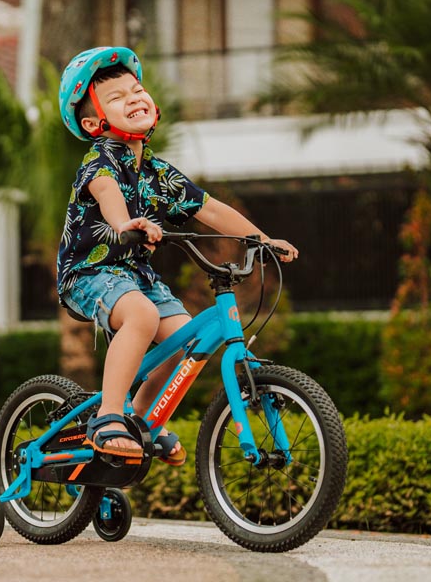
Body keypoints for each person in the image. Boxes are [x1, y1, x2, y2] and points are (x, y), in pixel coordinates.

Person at [57, 46, 298, 465]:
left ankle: (142, 418)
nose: (133, 98)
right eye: (116, 97)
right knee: (143, 317)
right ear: (94, 122)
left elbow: (210, 209)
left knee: (185, 339)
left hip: (135, 276)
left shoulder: (158, 173)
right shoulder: (99, 160)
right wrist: (125, 224)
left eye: (136, 89)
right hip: (90, 271)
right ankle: (109, 415)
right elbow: (108, 194)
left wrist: (263, 239)